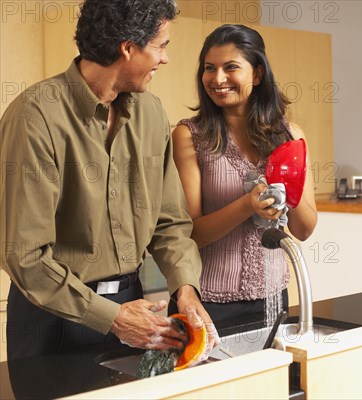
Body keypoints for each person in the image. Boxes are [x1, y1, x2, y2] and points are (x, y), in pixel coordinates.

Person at [0, 0, 217, 361]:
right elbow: (24, 255)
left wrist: (186, 288)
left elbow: (170, 222)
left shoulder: (150, 112)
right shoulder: (35, 116)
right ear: (128, 47)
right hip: (53, 316)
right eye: (161, 46)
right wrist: (112, 318)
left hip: (133, 306)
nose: (165, 59)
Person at [170, 24, 318, 325]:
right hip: (208, 301)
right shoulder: (189, 136)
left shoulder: (291, 135)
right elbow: (191, 234)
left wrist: (290, 172)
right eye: (209, 68)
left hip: (273, 296)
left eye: (231, 67)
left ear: (258, 74)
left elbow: (303, 229)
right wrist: (247, 205)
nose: (218, 78)